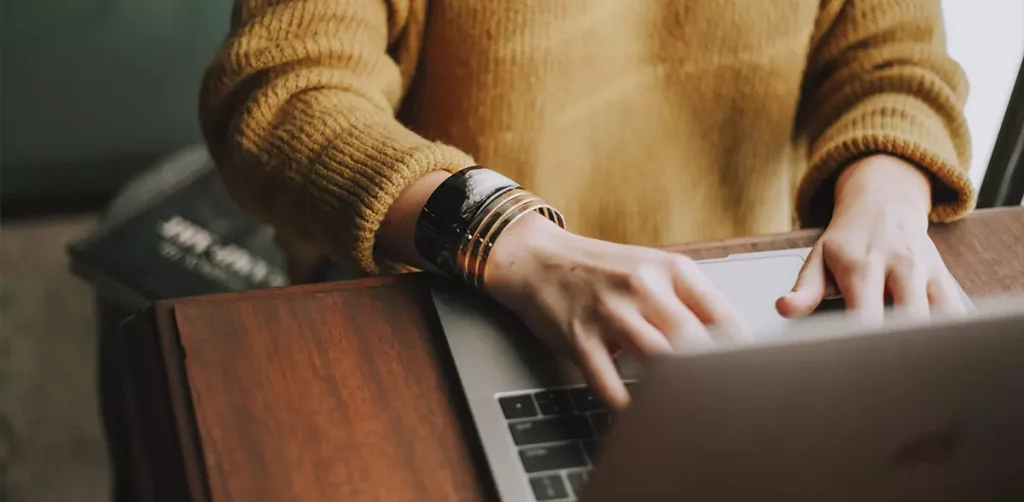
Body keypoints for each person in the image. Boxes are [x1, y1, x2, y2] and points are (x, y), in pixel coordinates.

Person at [199, 0, 974, 409]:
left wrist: (886, 190)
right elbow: (283, 94)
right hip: (452, 300)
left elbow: (895, 60)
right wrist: (512, 239)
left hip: (742, 317)